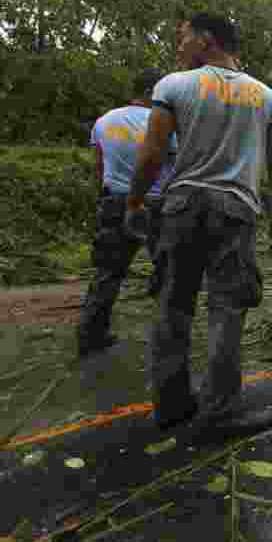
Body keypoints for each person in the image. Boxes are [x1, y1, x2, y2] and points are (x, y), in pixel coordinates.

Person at [125, 12, 272, 436]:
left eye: (184, 37)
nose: (179, 45)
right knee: (226, 311)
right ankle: (219, 413)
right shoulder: (268, 98)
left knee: (174, 306)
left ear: (207, 39)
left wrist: (135, 201)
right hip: (235, 210)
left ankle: (172, 405)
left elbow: (153, 152)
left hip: (181, 207)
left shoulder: (173, 86)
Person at [78, 68, 177, 357]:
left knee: (108, 270)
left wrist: (107, 196)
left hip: (114, 201)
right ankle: (168, 338)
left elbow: (99, 166)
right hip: (157, 204)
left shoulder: (104, 121)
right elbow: (173, 161)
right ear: (150, 93)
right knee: (168, 270)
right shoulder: (160, 121)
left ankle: (90, 335)